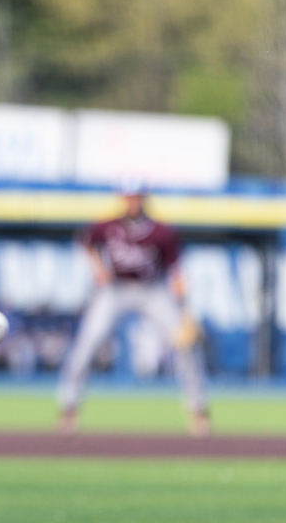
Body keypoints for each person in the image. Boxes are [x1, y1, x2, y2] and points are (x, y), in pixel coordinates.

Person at [56, 183, 211, 437]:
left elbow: (176, 273)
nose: (133, 202)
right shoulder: (107, 226)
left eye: (137, 197)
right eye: (129, 197)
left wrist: (183, 309)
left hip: (153, 290)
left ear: (144, 199)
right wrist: (98, 267)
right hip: (116, 290)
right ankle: (68, 408)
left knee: (185, 344)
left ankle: (198, 411)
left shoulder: (162, 232)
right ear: (123, 198)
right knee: (88, 341)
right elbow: (85, 240)